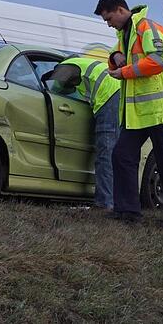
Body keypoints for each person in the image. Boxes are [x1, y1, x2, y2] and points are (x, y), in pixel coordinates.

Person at [94, 0, 163, 232]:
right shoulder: (125, 32)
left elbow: (160, 60)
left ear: (120, 10)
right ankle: (127, 211)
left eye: (109, 18)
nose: (108, 24)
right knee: (122, 155)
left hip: (158, 110)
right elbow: (117, 57)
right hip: (138, 113)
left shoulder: (147, 27)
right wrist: (114, 57)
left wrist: (126, 71)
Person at [45, 56, 120, 210]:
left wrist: (46, 87)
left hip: (109, 98)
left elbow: (57, 87)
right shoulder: (85, 67)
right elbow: (72, 88)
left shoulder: (67, 65)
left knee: (105, 154)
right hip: (118, 93)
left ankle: (105, 203)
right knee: (112, 153)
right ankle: (112, 201)